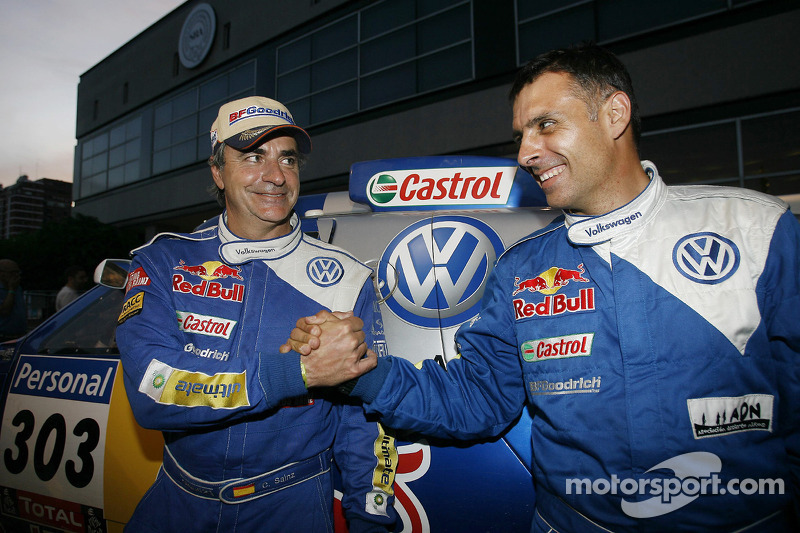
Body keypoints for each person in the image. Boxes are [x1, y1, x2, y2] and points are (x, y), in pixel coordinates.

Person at [283, 44, 800, 531]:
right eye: (520, 136)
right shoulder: (520, 269)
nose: (527, 152)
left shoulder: (753, 230)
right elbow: (477, 398)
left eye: (546, 125)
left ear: (615, 114)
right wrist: (362, 373)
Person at [116, 96, 397, 532]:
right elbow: (153, 391)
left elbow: (366, 420)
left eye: (287, 158)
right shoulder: (163, 261)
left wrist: (371, 520)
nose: (275, 175)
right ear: (217, 171)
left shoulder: (347, 277)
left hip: (293, 504)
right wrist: (297, 371)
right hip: (180, 499)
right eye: (252, 157)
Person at [0, 259, 26, 340]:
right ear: (2, 273)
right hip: (3, 336)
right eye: (12, 272)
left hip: (19, 335)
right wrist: (11, 290)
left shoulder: (18, 288)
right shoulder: (13, 288)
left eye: (18, 272)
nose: (17, 275)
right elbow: (4, 310)